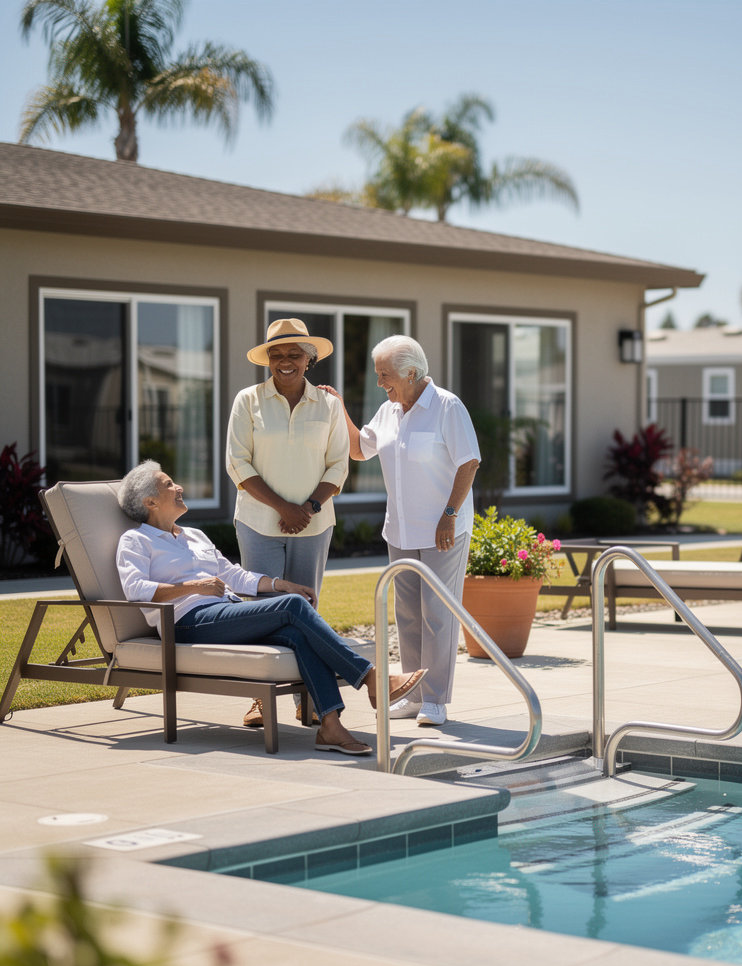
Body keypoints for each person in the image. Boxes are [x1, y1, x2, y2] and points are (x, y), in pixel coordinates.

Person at [114, 461, 424, 757]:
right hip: (186, 622)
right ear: (150, 502)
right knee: (292, 607)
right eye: (169, 484)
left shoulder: (194, 536)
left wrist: (283, 585)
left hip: (223, 612)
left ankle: (331, 726)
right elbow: (135, 589)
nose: (179, 487)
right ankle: (372, 678)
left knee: (296, 634)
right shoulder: (135, 540)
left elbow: (234, 575)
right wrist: (195, 587)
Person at [339, 335, 480, 728]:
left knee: (438, 615)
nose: (380, 383)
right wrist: (338, 408)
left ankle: (434, 699)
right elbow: (359, 449)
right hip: (400, 531)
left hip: (442, 531)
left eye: (385, 375)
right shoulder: (388, 411)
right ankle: (413, 693)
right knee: (408, 616)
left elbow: (469, 462)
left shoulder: (447, 407)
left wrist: (449, 514)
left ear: (412, 373)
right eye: (378, 375)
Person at [226, 317, 347, 729]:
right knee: (260, 611)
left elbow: (338, 465)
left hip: (314, 524)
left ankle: (306, 699)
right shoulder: (248, 400)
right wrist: (283, 508)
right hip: (257, 522)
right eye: (276, 354)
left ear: (309, 359)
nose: (285, 361)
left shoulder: (329, 405)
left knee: (306, 612)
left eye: (294, 353)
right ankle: (259, 700)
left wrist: (307, 508)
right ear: (267, 360)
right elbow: (237, 463)